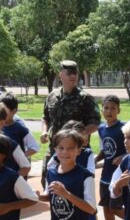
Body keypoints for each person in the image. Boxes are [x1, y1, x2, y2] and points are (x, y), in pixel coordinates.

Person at [40, 60, 100, 188]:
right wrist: (44, 131)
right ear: (60, 74)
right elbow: (45, 117)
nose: (73, 76)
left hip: (76, 152)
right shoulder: (52, 96)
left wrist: (76, 135)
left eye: (75, 73)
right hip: (55, 149)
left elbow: (95, 122)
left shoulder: (85, 98)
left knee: (76, 186)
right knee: (48, 183)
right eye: (69, 73)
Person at [96, 94, 126, 220]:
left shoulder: (124, 128)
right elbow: (104, 150)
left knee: (115, 208)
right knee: (107, 209)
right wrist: (95, 160)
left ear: (118, 110)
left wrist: (123, 156)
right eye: (106, 108)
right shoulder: (101, 129)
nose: (109, 111)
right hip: (105, 175)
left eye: (113, 108)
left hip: (121, 175)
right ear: (102, 110)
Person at [0, 92, 40, 159]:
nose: (0, 113)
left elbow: (34, 147)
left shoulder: (20, 129)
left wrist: (19, 158)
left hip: (16, 168)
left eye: (3, 110)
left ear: (14, 111)